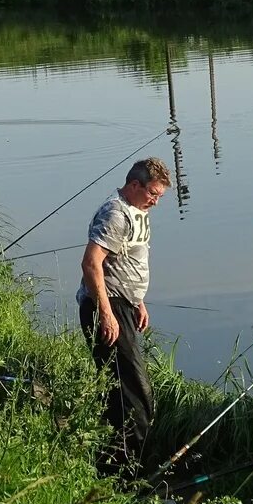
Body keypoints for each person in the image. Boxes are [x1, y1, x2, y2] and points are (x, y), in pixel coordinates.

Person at [78, 156, 172, 476]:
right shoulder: (115, 214)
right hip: (107, 308)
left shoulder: (138, 210)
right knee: (137, 400)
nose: (155, 202)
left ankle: (110, 472)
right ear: (135, 186)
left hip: (124, 305)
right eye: (153, 195)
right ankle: (127, 476)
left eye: (159, 196)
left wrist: (139, 302)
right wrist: (107, 314)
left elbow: (127, 261)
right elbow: (92, 264)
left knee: (120, 395)